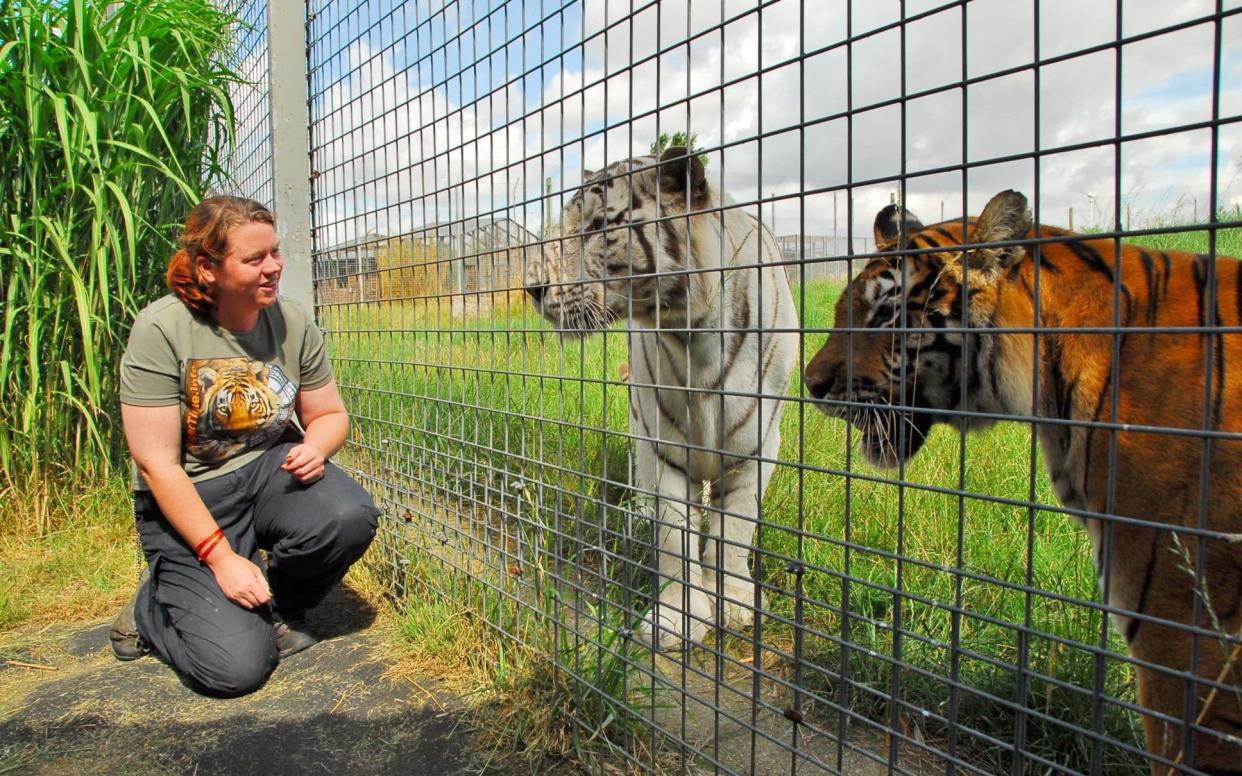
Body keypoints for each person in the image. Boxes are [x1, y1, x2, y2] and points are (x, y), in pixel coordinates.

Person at [109, 196, 379, 698]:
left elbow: (330, 415)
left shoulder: (292, 322)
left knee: (348, 515)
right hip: (191, 496)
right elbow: (157, 464)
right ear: (208, 268)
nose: (273, 266)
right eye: (255, 259)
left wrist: (318, 447)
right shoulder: (160, 329)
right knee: (237, 672)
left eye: (275, 252)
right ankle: (155, 607)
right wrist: (219, 558)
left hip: (267, 472)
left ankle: (277, 605)